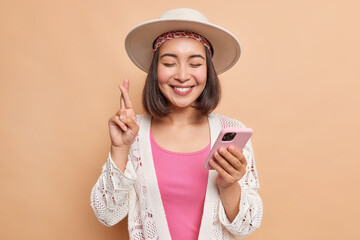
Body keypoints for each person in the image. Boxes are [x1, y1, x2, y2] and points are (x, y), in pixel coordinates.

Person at [90, 8, 263, 240]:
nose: (182, 75)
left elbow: (246, 227)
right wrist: (120, 149)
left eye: (195, 64)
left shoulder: (229, 131)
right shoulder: (133, 133)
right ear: (155, 70)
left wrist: (229, 184)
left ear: (208, 70)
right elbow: (107, 214)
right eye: (170, 63)